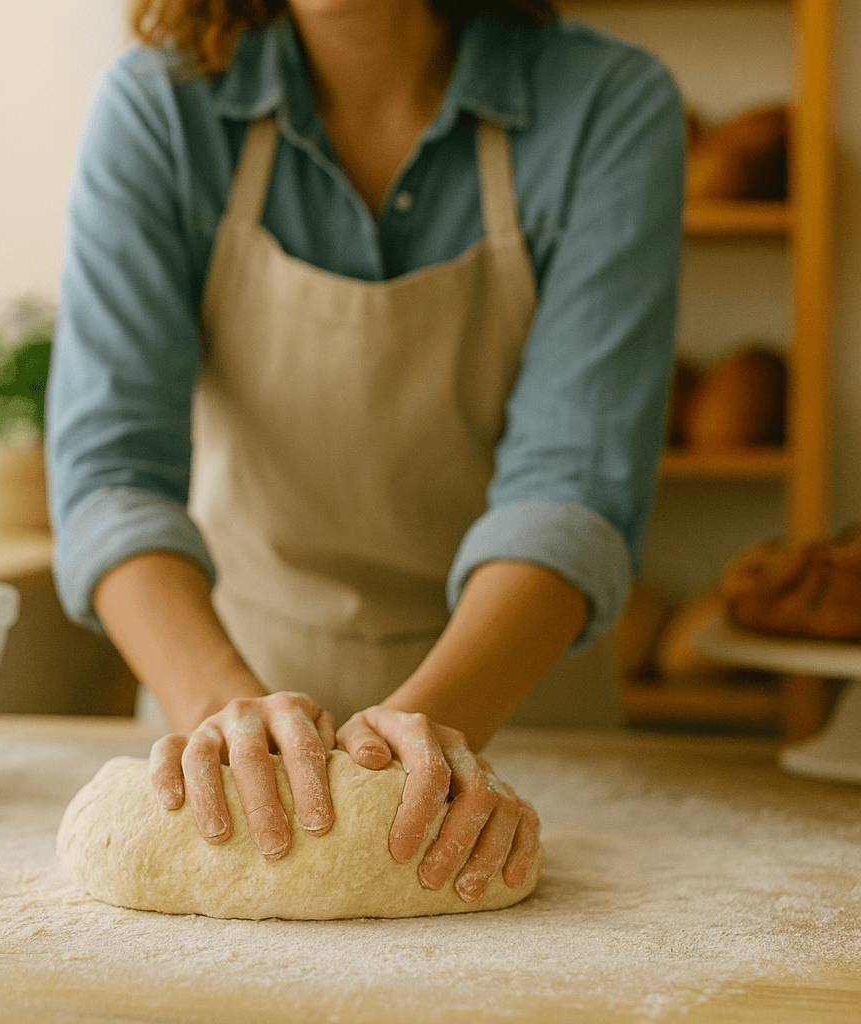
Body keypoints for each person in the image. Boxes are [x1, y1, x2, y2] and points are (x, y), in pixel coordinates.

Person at [47, 0, 684, 904]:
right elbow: (111, 471)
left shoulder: (606, 106)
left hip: (516, 714)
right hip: (225, 706)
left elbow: (574, 486)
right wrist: (229, 718)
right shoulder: (164, 106)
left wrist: (425, 751)